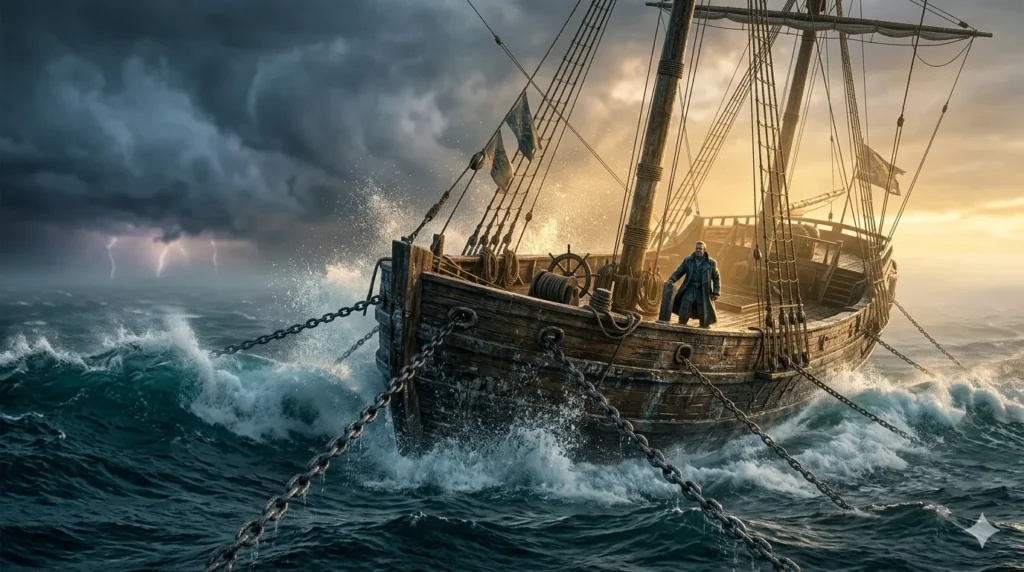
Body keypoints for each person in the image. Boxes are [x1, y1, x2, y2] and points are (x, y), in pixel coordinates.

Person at [666, 241, 721, 328]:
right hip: (690, 287)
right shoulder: (688, 260)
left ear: (704, 250)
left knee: (703, 308)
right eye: (697, 248)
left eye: (700, 249)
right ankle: (681, 323)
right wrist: (672, 279)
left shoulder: (711, 263)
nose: (698, 250)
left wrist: (716, 291)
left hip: (703, 290)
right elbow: (679, 271)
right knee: (685, 304)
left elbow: (716, 278)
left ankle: (704, 325)